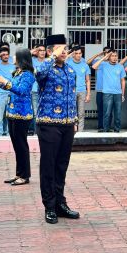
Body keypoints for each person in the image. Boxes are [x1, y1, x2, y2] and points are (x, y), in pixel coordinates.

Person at [35, 35, 80, 223]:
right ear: (50, 50)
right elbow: (38, 73)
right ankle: (49, 206)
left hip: (67, 125)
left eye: (65, 48)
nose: (64, 52)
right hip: (49, 124)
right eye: (60, 49)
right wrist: (52, 57)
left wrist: (75, 120)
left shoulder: (70, 70)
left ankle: (61, 203)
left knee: (62, 166)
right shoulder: (46, 68)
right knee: (48, 166)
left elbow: (72, 96)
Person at [0, 48, 36, 186]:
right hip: (12, 112)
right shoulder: (17, 73)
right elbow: (10, 87)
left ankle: (25, 175)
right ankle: (18, 174)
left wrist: (3, 80)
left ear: (21, 59)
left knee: (21, 145)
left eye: (15, 56)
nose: (12, 58)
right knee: (16, 145)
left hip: (22, 114)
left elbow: (21, 91)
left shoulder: (28, 75)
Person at [93, 50, 127, 133]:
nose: (115, 58)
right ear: (109, 57)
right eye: (112, 56)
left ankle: (117, 130)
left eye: (116, 56)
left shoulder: (120, 66)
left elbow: (123, 81)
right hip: (107, 93)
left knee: (118, 114)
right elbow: (94, 66)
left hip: (118, 93)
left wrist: (122, 94)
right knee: (107, 113)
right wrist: (105, 57)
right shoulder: (104, 65)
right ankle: (106, 130)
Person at [66, 45, 91, 132]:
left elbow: (87, 80)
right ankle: (71, 131)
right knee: (71, 112)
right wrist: (69, 55)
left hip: (82, 91)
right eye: (76, 53)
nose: (79, 55)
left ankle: (80, 132)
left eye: (80, 53)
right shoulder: (68, 63)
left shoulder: (85, 65)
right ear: (73, 54)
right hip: (71, 91)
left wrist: (88, 94)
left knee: (81, 113)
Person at [88, 47, 110, 131]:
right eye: (106, 52)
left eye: (109, 53)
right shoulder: (99, 62)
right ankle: (101, 126)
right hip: (100, 90)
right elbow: (89, 63)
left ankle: (107, 127)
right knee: (100, 109)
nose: (108, 54)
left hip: (109, 90)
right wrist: (98, 55)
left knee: (108, 110)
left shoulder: (113, 63)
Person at [30, 44, 48, 134]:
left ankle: (45, 131)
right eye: (40, 50)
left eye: (43, 50)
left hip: (46, 91)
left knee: (46, 111)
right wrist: (33, 50)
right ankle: (37, 132)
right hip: (34, 90)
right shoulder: (32, 61)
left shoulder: (48, 61)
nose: (42, 52)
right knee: (35, 113)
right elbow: (22, 58)